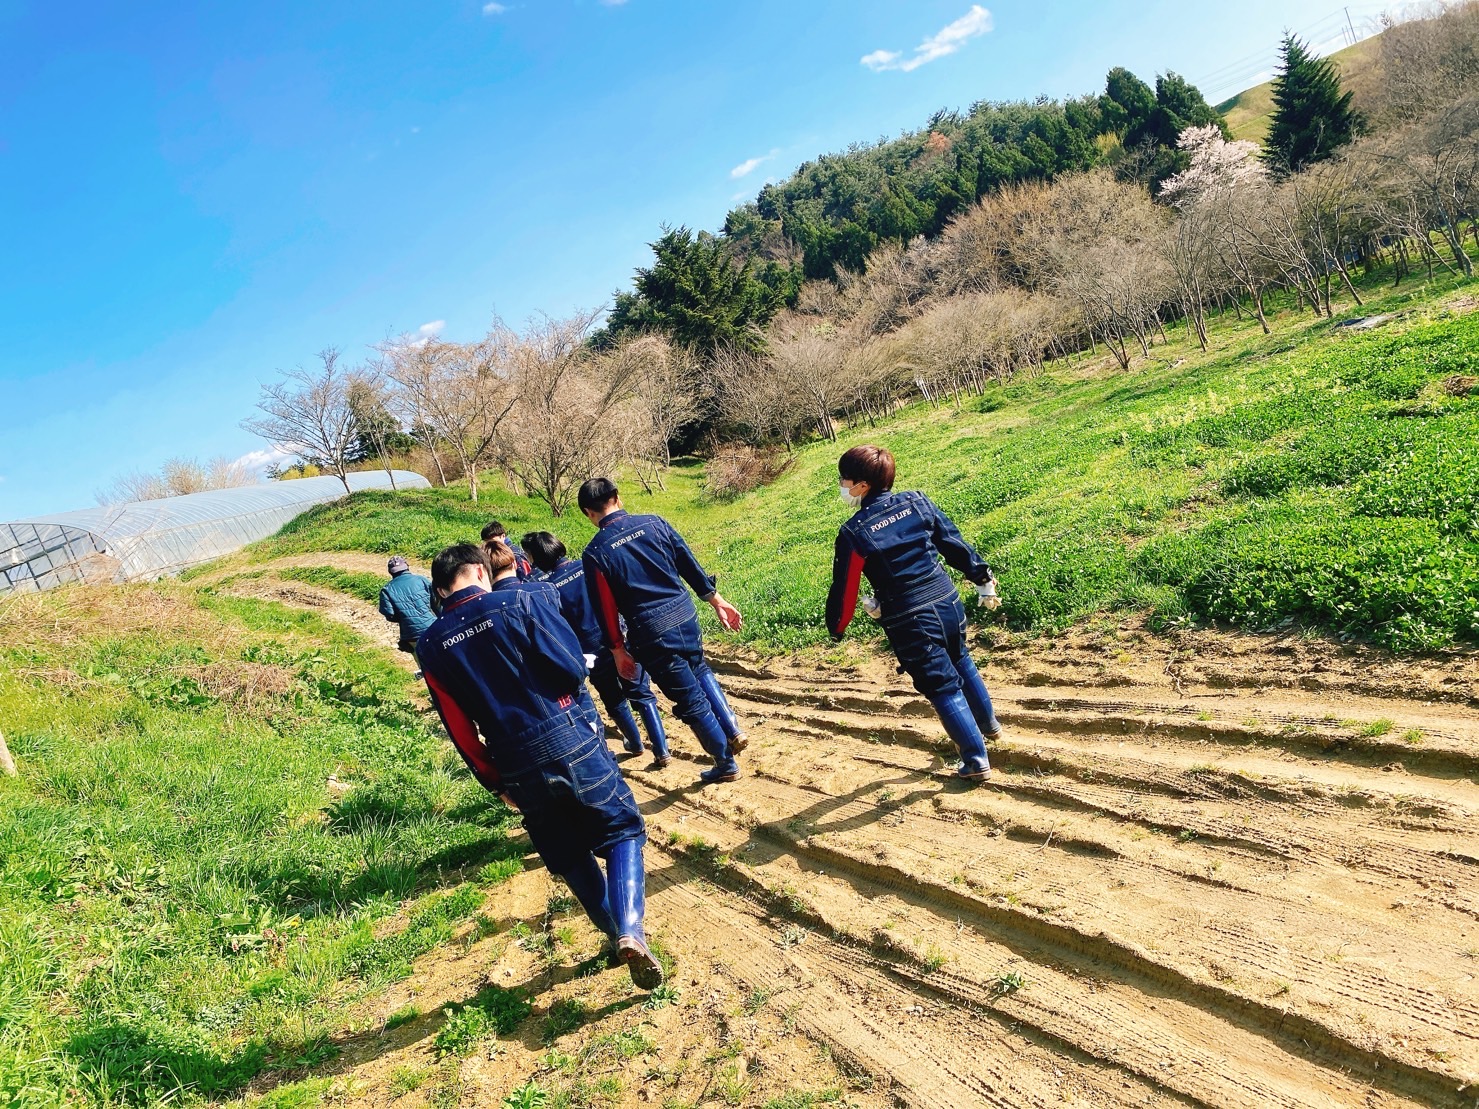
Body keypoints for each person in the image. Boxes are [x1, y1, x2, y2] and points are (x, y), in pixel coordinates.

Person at [416, 542, 664, 988]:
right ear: (479, 571)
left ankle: (614, 936)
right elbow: (570, 669)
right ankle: (631, 927)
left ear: (440, 588)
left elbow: (458, 727)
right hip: (566, 734)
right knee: (621, 828)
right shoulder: (519, 601)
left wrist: (494, 782)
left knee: (568, 854)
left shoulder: (430, 646)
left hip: (513, 760)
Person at [824, 445, 1002, 781]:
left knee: (941, 686)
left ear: (862, 485)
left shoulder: (854, 533)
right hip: (947, 600)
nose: (842, 485)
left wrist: (837, 626)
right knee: (961, 658)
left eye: (844, 479)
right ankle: (989, 727)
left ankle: (975, 760)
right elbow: (953, 544)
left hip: (910, 617)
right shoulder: (916, 501)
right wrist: (981, 577)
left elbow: (845, 588)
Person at [577, 477, 747, 785]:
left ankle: (725, 762)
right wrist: (716, 600)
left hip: (651, 633)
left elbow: (605, 607)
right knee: (699, 668)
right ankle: (732, 728)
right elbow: (688, 562)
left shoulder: (595, 553)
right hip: (685, 615)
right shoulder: (654, 523)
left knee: (690, 700)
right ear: (617, 497)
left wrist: (617, 649)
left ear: (589, 513)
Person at [521, 530, 671, 767]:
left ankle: (635, 743)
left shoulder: (547, 587)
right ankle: (662, 750)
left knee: (613, 698)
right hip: (617, 635)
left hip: (587, 648)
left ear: (539, 559)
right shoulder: (587, 565)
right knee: (640, 691)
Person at [378, 556, 436, 659]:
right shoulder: (422, 580)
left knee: (423, 662)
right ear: (407, 567)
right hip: (433, 627)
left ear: (390, 572)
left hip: (411, 634)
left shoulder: (386, 590)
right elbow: (436, 600)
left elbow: (390, 615)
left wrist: (404, 617)